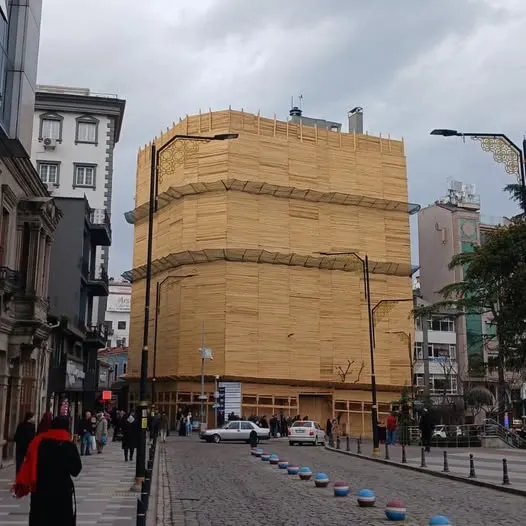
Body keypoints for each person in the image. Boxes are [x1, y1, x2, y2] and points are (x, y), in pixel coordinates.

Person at [13, 416, 82, 526]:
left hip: (41, 490)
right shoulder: (68, 445)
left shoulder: (38, 442)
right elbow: (76, 470)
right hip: (61, 492)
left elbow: (29, 462)